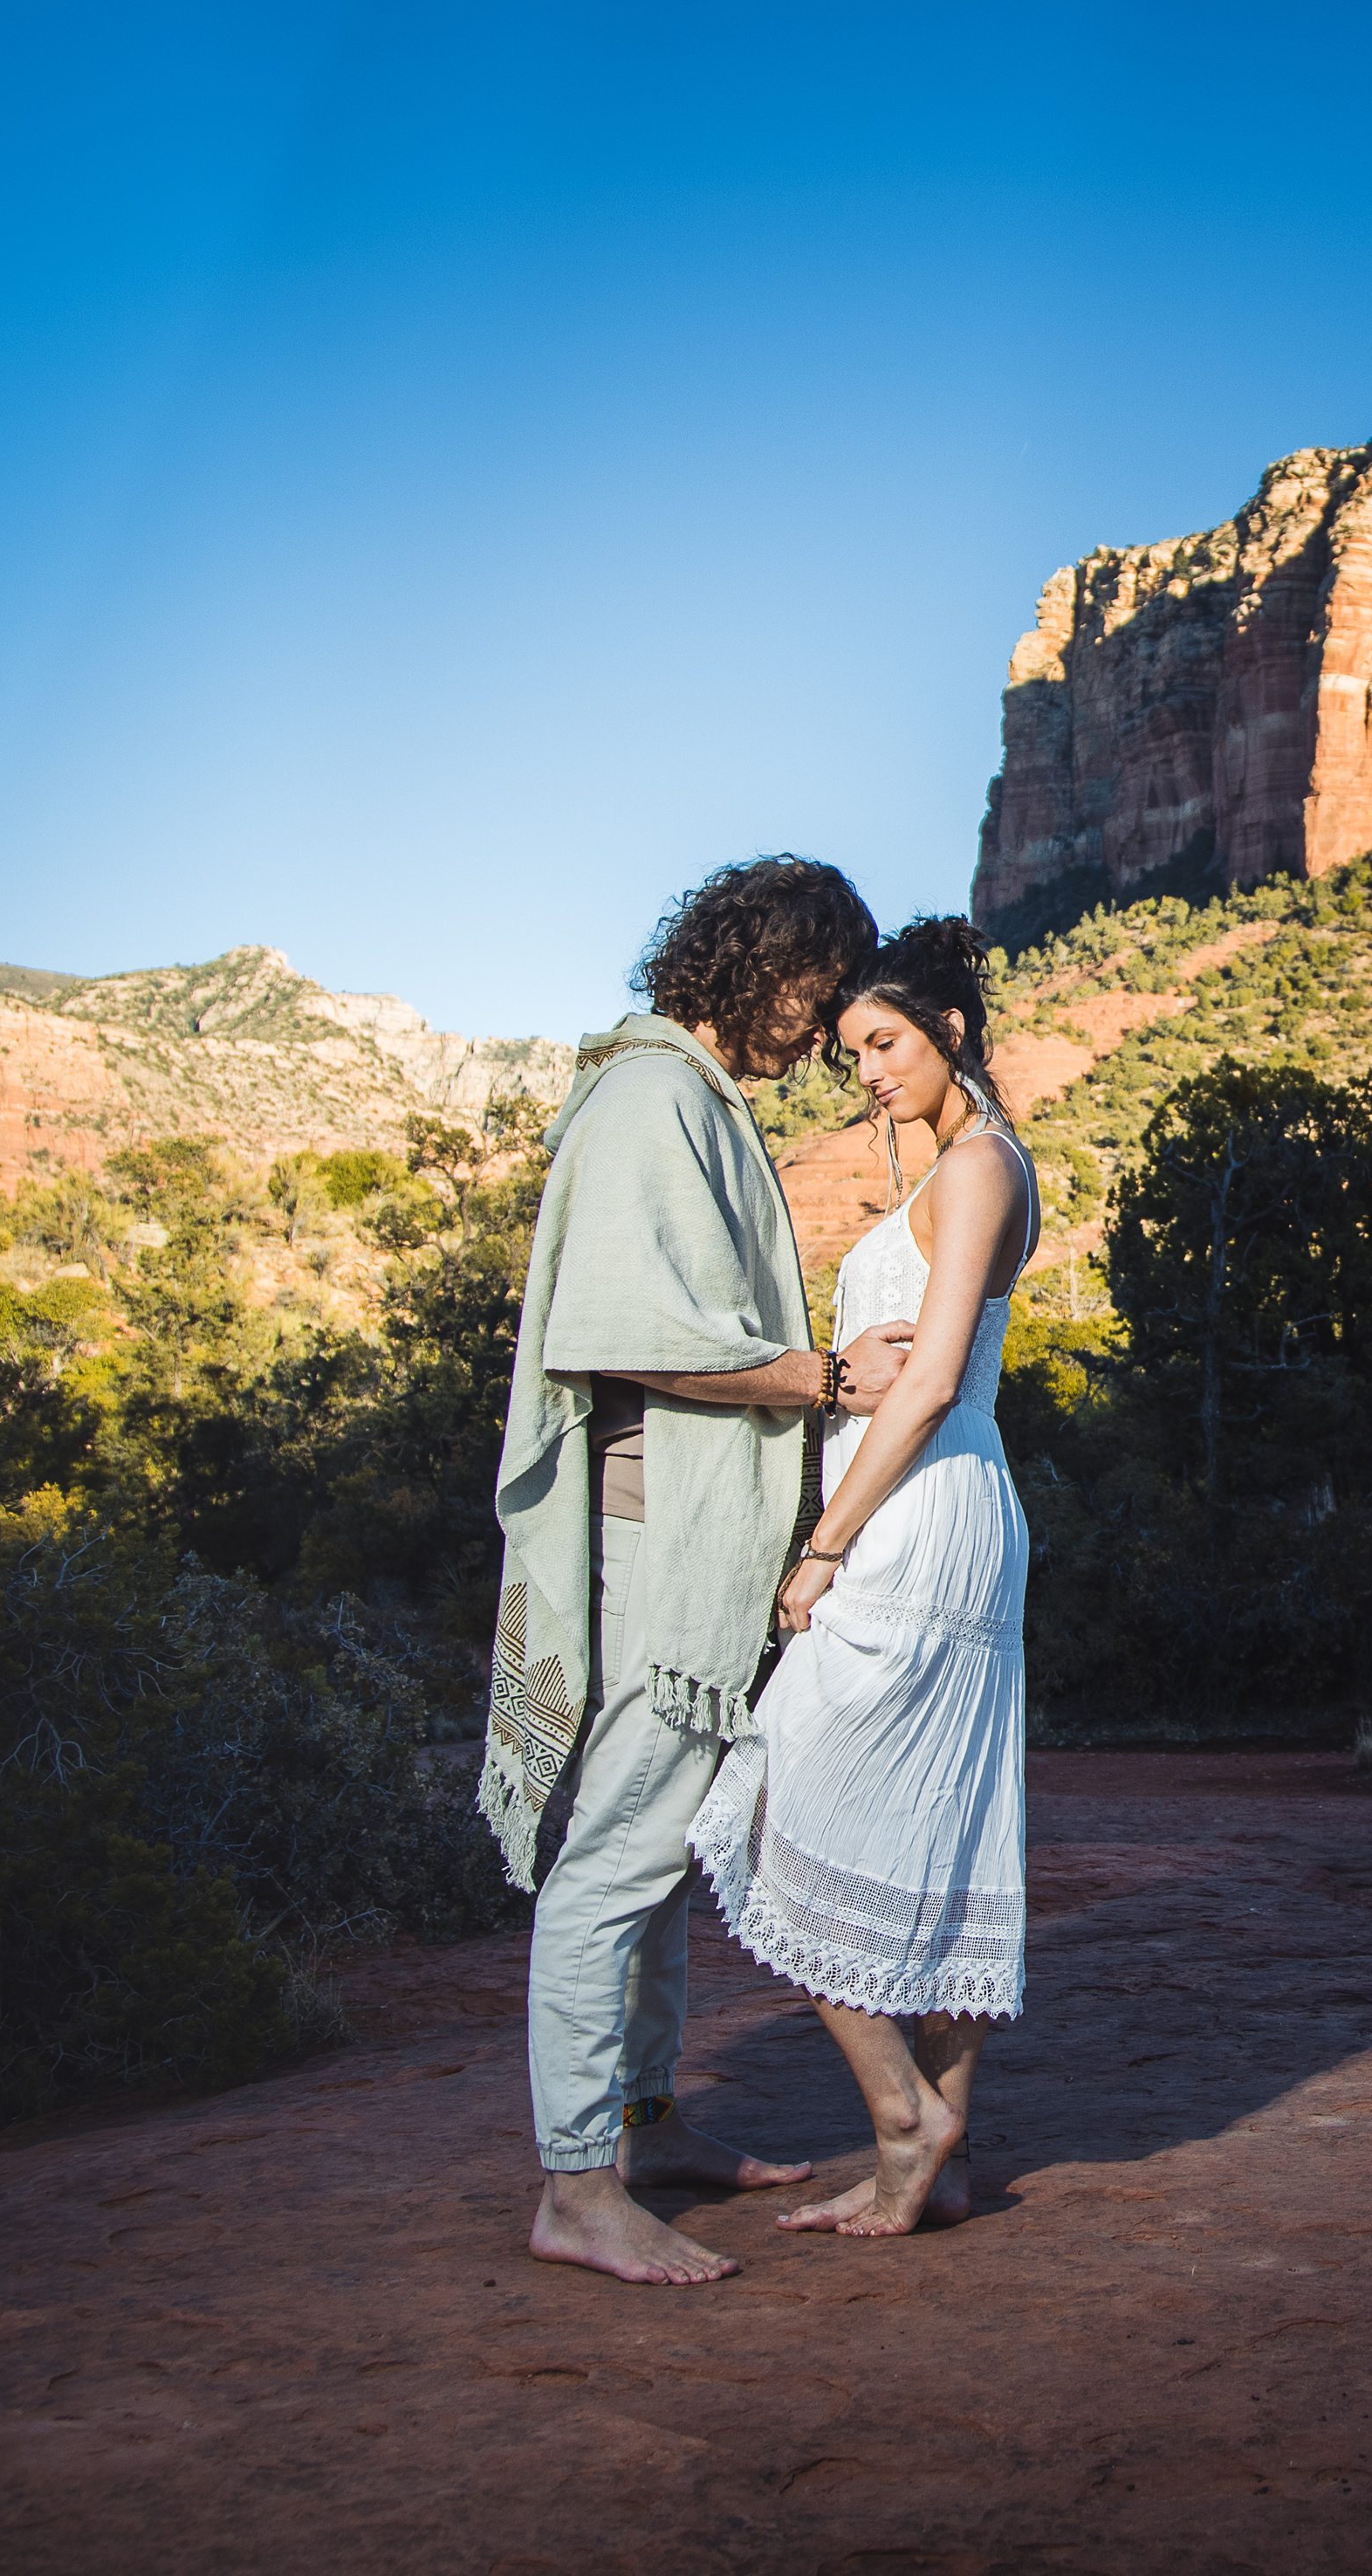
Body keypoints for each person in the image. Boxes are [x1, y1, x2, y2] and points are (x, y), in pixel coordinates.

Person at [484, 855, 914, 2288]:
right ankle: (573, 2185)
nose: (815, 1021)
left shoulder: (684, 1094)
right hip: (649, 1540)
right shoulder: (654, 1097)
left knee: (660, 1855)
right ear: (755, 962)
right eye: (810, 984)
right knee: (612, 1861)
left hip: (673, 1532)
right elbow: (612, 1327)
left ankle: (648, 2126)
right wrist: (815, 1377)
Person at [689, 917, 1038, 2238]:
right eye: (852, 1054)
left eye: (886, 1044)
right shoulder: (969, 1165)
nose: (869, 1072)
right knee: (936, 1829)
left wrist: (822, 1544)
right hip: (943, 1506)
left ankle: (904, 2114)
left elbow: (936, 1377)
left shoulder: (979, 1170)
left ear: (951, 1034)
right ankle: (939, 2163)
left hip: (916, 1515)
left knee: (772, 1798)